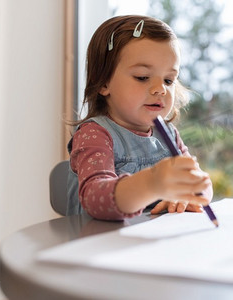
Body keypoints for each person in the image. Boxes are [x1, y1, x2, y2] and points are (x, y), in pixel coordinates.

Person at [67, 15, 213, 220]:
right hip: (98, 246)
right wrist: (151, 184)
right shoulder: (94, 134)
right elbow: (94, 197)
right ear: (103, 83)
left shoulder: (169, 134)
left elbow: (200, 183)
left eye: (169, 80)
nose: (160, 89)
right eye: (142, 77)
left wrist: (190, 196)